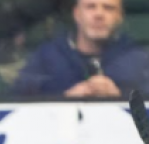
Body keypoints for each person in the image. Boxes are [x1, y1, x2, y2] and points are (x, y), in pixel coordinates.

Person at [11, 0, 149, 98]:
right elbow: (15, 103)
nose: (99, 14)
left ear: (120, 17)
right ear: (77, 14)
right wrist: (66, 100)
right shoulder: (46, 57)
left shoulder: (139, 61)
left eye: (108, 8)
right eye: (90, 7)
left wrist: (118, 98)